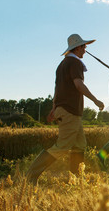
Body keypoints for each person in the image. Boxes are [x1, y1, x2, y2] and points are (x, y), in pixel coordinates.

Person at [26, 34, 104, 184]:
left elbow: (57, 89)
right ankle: (31, 175)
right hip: (70, 110)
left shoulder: (62, 64)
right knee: (63, 146)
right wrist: (96, 100)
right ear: (78, 47)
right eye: (84, 47)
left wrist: (54, 107)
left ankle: (75, 178)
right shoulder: (75, 64)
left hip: (65, 109)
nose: (85, 50)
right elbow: (78, 85)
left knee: (80, 144)